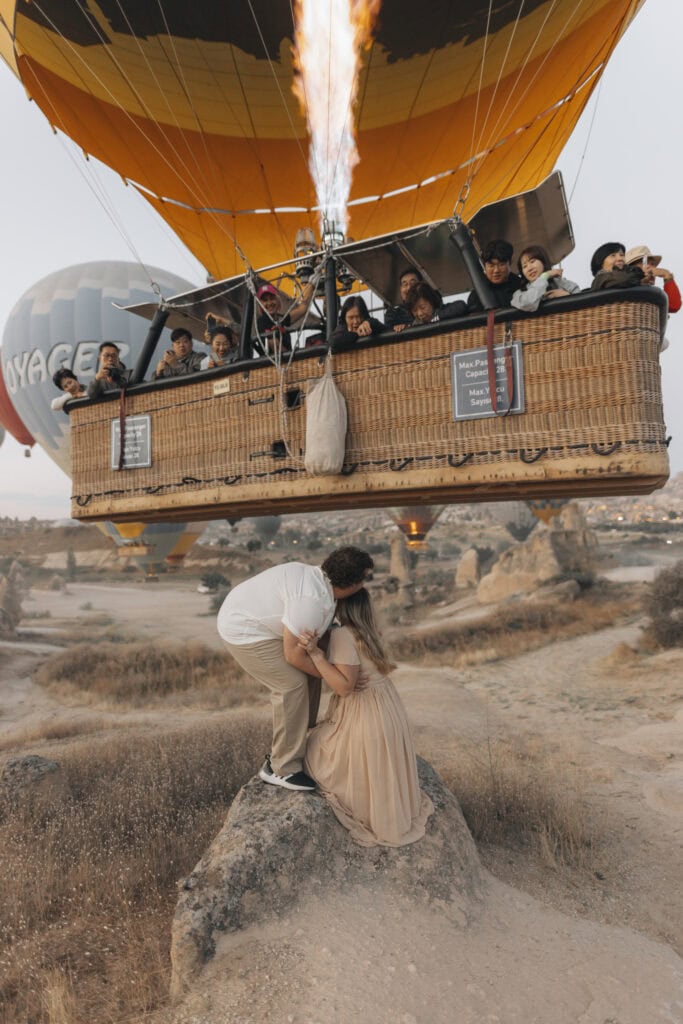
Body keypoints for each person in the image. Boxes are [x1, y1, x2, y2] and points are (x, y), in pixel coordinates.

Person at [217, 547, 374, 792]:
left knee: (312, 669)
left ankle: (303, 738)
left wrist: (330, 668)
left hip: (260, 622)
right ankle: (282, 768)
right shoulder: (311, 602)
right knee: (292, 684)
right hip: (243, 630)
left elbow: (313, 647)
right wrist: (339, 678)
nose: (365, 584)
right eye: (364, 578)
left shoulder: (322, 585)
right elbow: (293, 655)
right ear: (351, 584)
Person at [301, 588, 434, 847]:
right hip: (386, 706)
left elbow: (344, 687)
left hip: (365, 712)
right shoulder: (371, 631)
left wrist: (316, 655)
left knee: (313, 749)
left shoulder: (342, 634)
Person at [511, 245, 581, 312]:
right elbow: (529, 303)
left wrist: (566, 296)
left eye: (532, 261)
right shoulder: (519, 294)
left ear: (543, 262)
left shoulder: (562, 283)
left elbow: (582, 302)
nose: (529, 268)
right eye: (524, 266)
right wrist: (544, 276)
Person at [255, 281, 314, 357]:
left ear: (278, 301)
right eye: (265, 300)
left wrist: (312, 284)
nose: (269, 303)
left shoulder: (281, 319)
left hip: (286, 360)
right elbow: (275, 346)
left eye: (272, 298)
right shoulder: (262, 322)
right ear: (260, 305)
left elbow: (302, 309)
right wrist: (293, 360)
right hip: (274, 365)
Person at [466, 239, 523, 313]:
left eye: (501, 264)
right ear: (484, 266)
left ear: (510, 262)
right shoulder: (477, 294)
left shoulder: (521, 286)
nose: (496, 270)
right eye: (491, 265)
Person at [624, 245, 681, 313]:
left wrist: (668, 276)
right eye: (644, 263)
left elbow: (674, 306)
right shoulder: (621, 287)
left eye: (652, 264)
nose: (651, 268)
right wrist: (642, 282)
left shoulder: (653, 293)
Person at [385, 267, 424, 332]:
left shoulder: (431, 305)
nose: (409, 288)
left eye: (413, 283)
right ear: (400, 289)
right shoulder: (393, 312)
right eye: (405, 284)